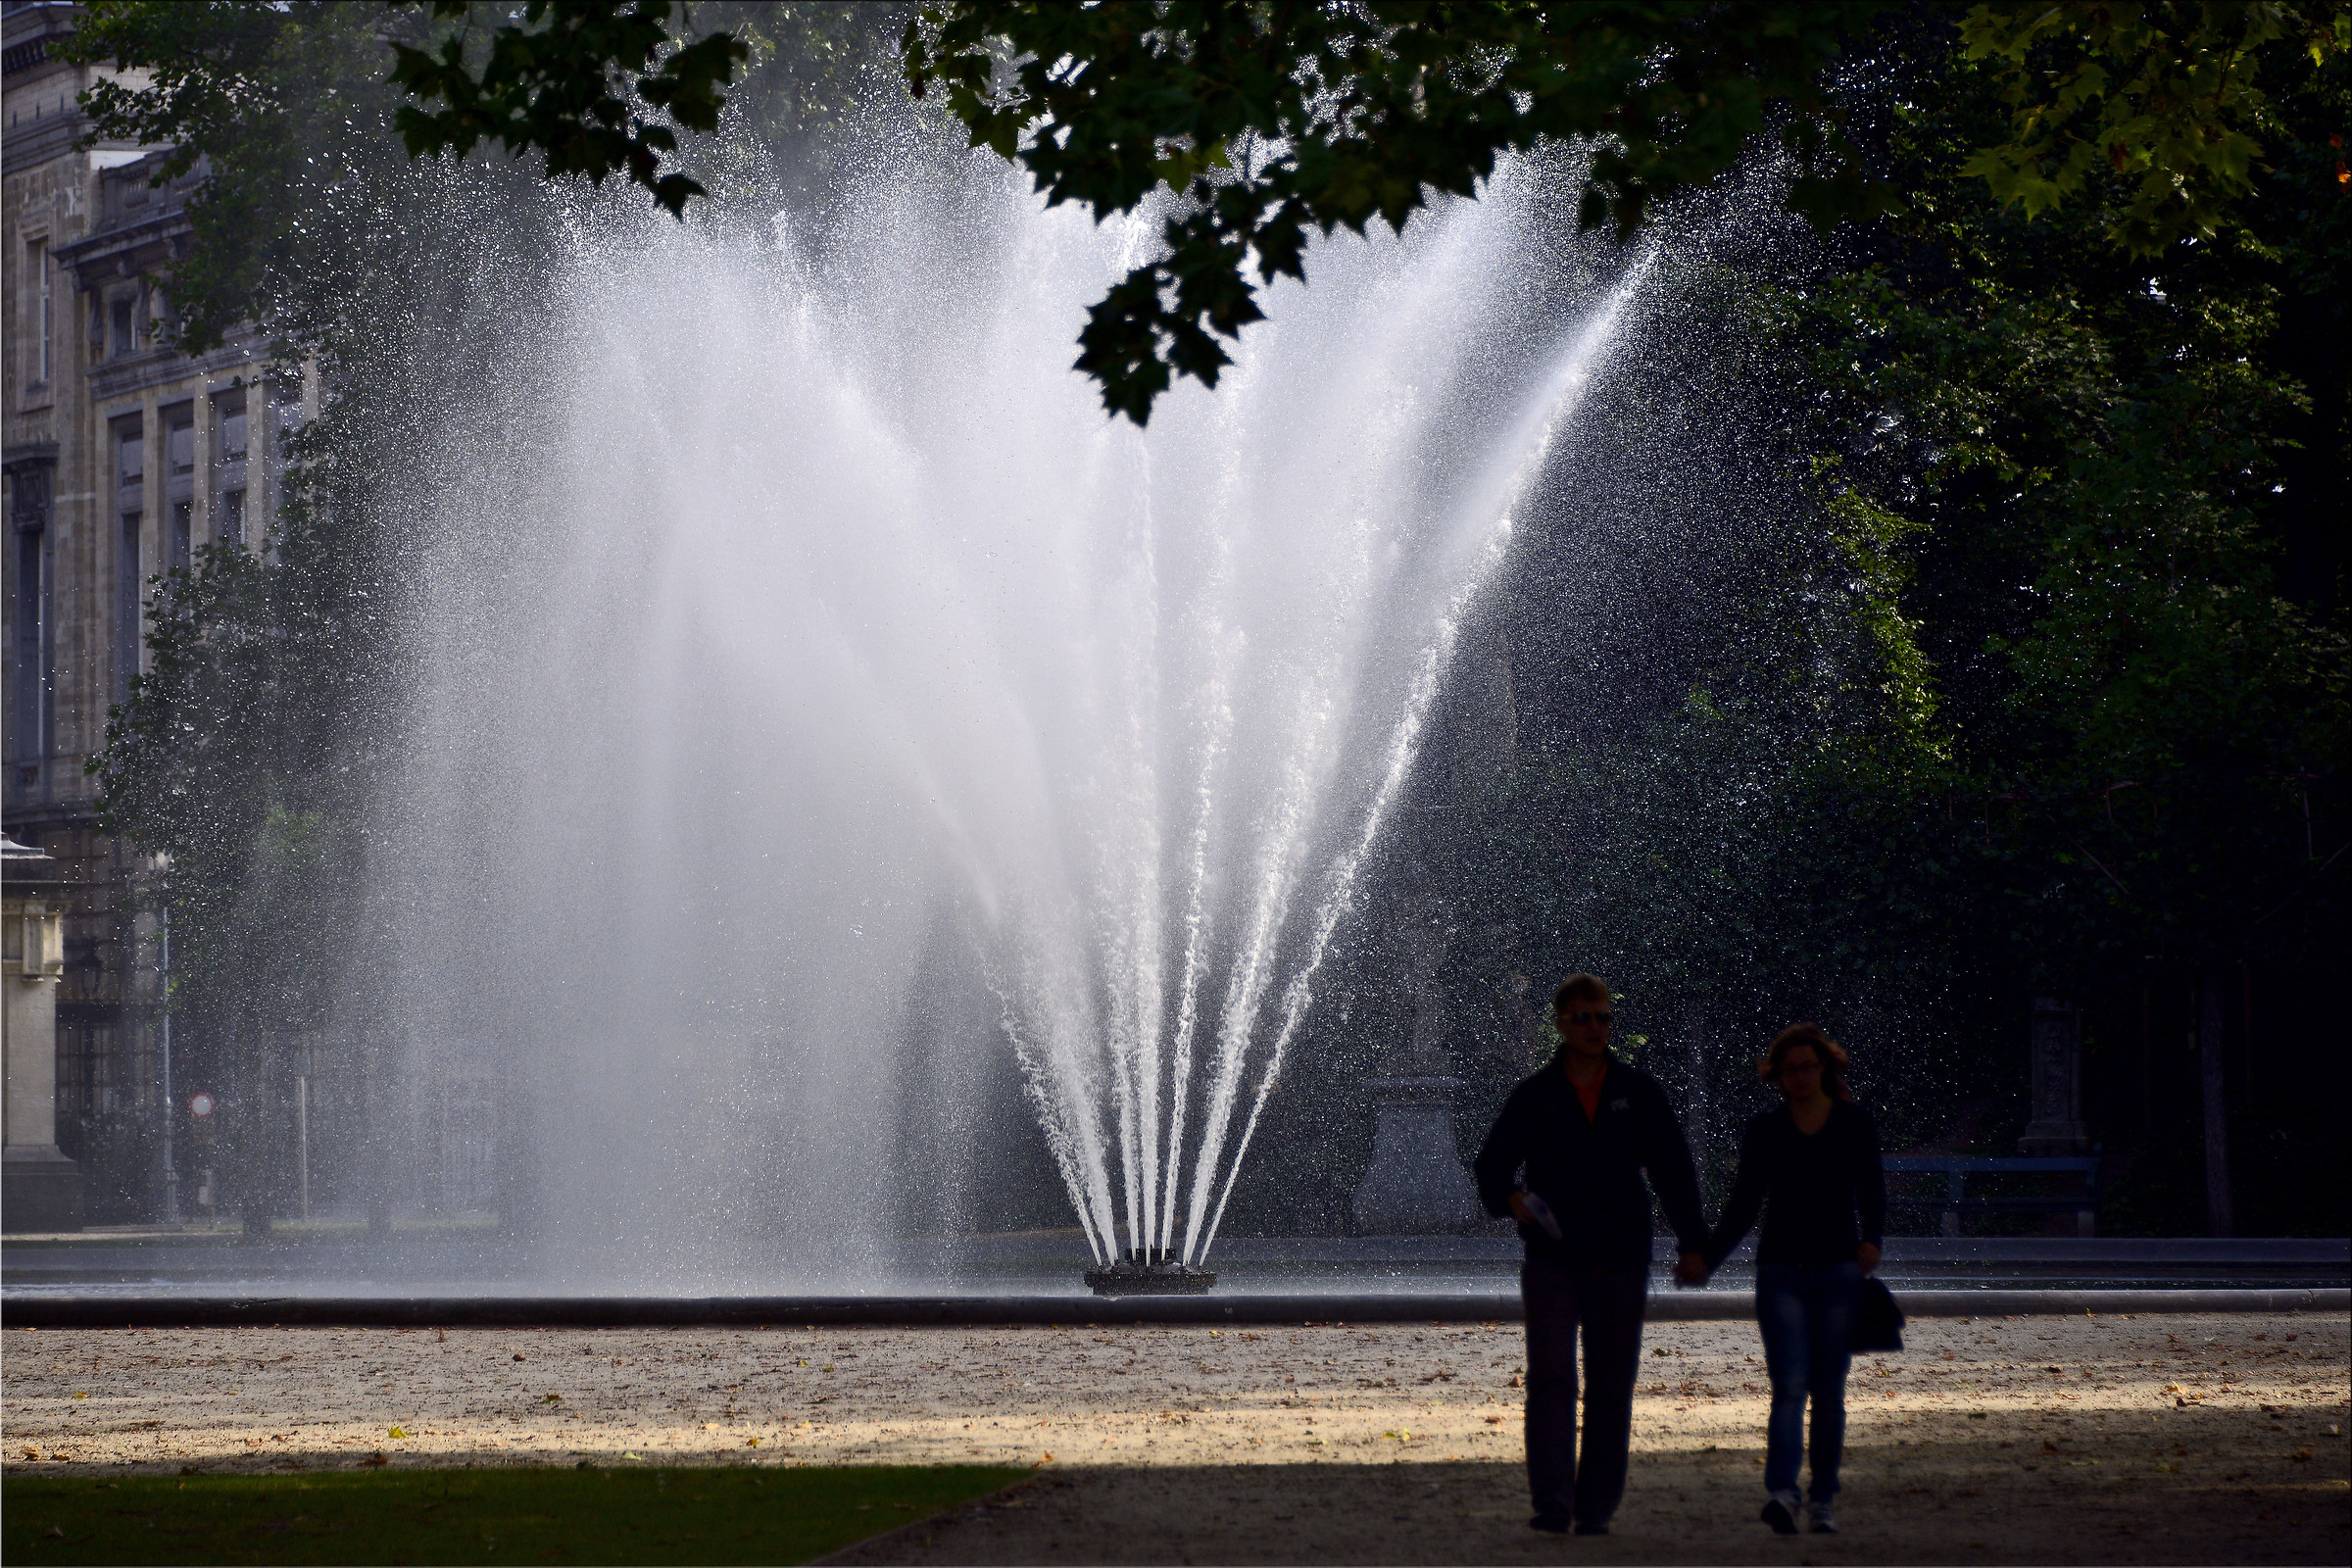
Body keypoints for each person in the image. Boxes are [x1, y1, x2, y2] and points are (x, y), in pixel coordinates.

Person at [1473, 974, 1710, 1537]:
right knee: (1552, 1377)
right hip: (1553, 1258)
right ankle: (1553, 1502)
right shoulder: (1535, 1094)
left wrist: (1694, 1243)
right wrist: (1511, 1199)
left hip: (1620, 1256)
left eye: (1603, 1017)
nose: (1595, 1028)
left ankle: (1597, 1506)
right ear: (1561, 1022)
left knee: (1610, 1383)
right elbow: (1491, 1164)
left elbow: (1673, 1171)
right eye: (1583, 1017)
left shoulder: (1638, 1091)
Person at [1696, 1022, 1887, 1537]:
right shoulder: (1767, 1130)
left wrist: (1873, 1239)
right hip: (1780, 1269)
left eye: (1807, 1067)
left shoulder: (1853, 1124)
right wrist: (1709, 1258)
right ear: (1777, 1077)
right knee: (1788, 1386)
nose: (1799, 1076)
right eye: (1790, 1070)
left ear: (1823, 1068)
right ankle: (1783, 1493)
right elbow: (1743, 1204)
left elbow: (1871, 1189)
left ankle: (1823, 1497)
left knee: (1828, 1390)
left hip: (1839, 1268)